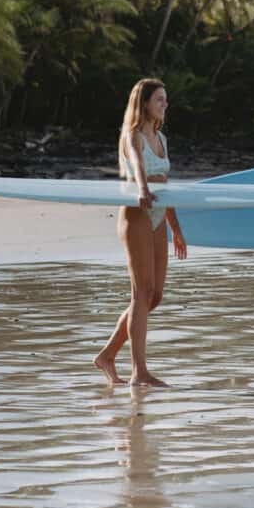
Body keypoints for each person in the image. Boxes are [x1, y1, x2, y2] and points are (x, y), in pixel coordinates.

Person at [94, 78, 187, 387]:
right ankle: (139, 371)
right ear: (144, 102)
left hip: (159, 218)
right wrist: (144, 189)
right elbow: (137, 168)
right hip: (137, 215)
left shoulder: (161, 138)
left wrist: (175, 227)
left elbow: (167, 184)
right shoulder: (132, 135)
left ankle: (107, 355)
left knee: (155, 295)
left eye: (165, 99)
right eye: (159, 99)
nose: (165, 104)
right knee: (141, 294)